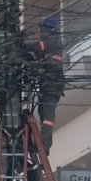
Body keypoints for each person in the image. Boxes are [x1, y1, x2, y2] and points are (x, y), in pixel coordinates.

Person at [26, 16, 65, 152]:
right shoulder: (49, 42)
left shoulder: (54, 40)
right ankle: (41, 143)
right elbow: (36, 54)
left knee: (47, 116)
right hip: (46, 85)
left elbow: (38, 47)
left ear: (48, 28)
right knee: (42, 112)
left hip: (53, 84)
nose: (41, 32)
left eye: (42, 29)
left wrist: (20, 45)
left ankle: (44, 144)